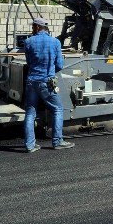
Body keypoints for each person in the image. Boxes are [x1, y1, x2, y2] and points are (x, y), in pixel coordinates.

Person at [23, 17, 74, 153]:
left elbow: (28, 63)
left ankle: (30, 145)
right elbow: (59, 65)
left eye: (33, 27)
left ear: (39, 27)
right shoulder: (55, 42)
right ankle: (57, 141)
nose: (32, 29)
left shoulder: (28, 42)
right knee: (58, 109)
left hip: (31, 81)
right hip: (47, 82)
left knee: (30, 112)